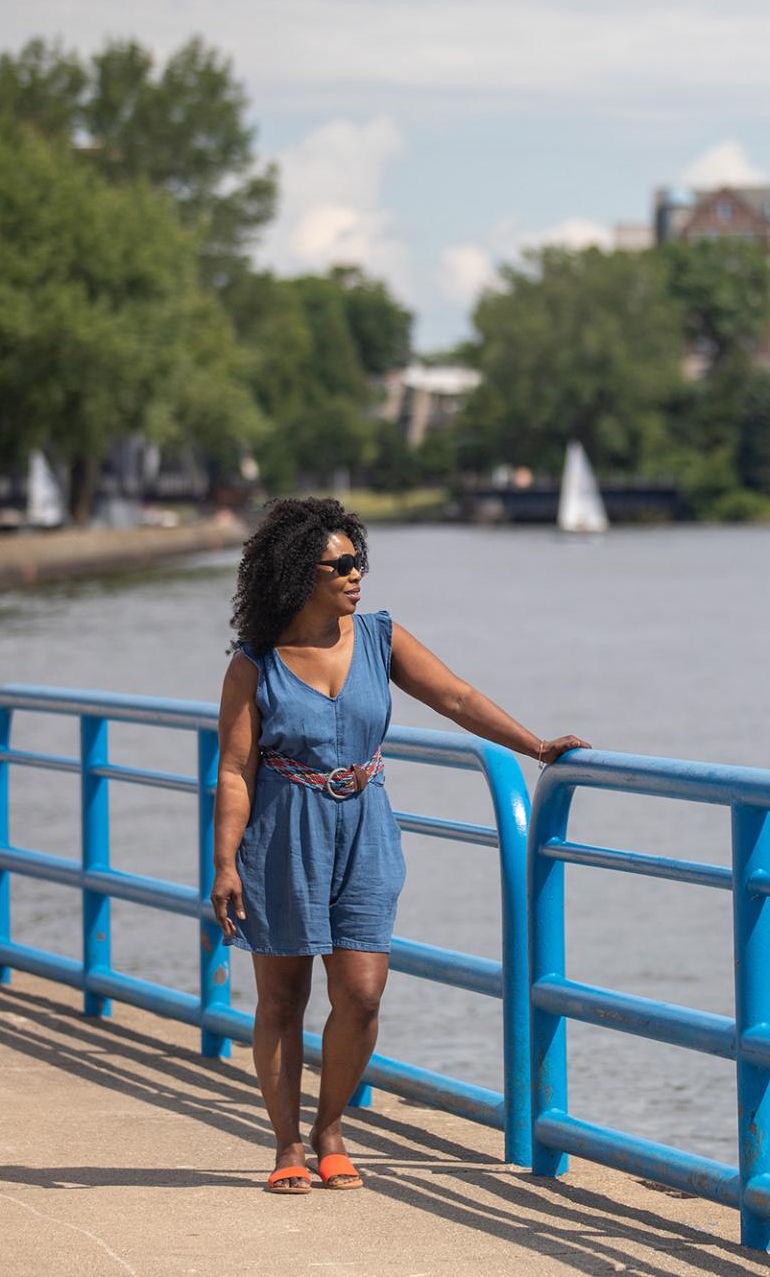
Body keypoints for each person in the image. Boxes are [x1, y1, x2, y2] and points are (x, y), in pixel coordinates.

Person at [208, 497, 586, 1194]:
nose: (357, 575)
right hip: (284, 829)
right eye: (342, 564)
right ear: (299, 572)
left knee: (363, 990)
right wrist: (224, 861)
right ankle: (288, 1142)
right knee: (282, 998)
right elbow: (234, 769)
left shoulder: (380, 636)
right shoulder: (255, 663)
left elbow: (458, 698)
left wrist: (535, 744)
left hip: (365, 826)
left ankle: (331, 1127)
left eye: (360, 560)